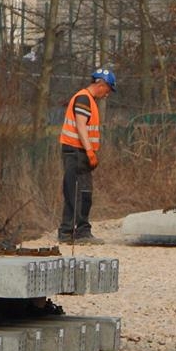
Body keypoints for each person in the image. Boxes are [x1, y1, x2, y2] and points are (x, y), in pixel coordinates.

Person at [58, 69, 115, 244]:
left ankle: (68, 231)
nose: (107, 94)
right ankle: (79, 232)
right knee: (79, 192)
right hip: (76, 152)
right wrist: (90, 151)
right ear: (101, 84)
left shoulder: (88, 100)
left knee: (77, 192)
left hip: (78, 152)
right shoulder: (83, 99)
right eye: (108, 89)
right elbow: (81, 126)